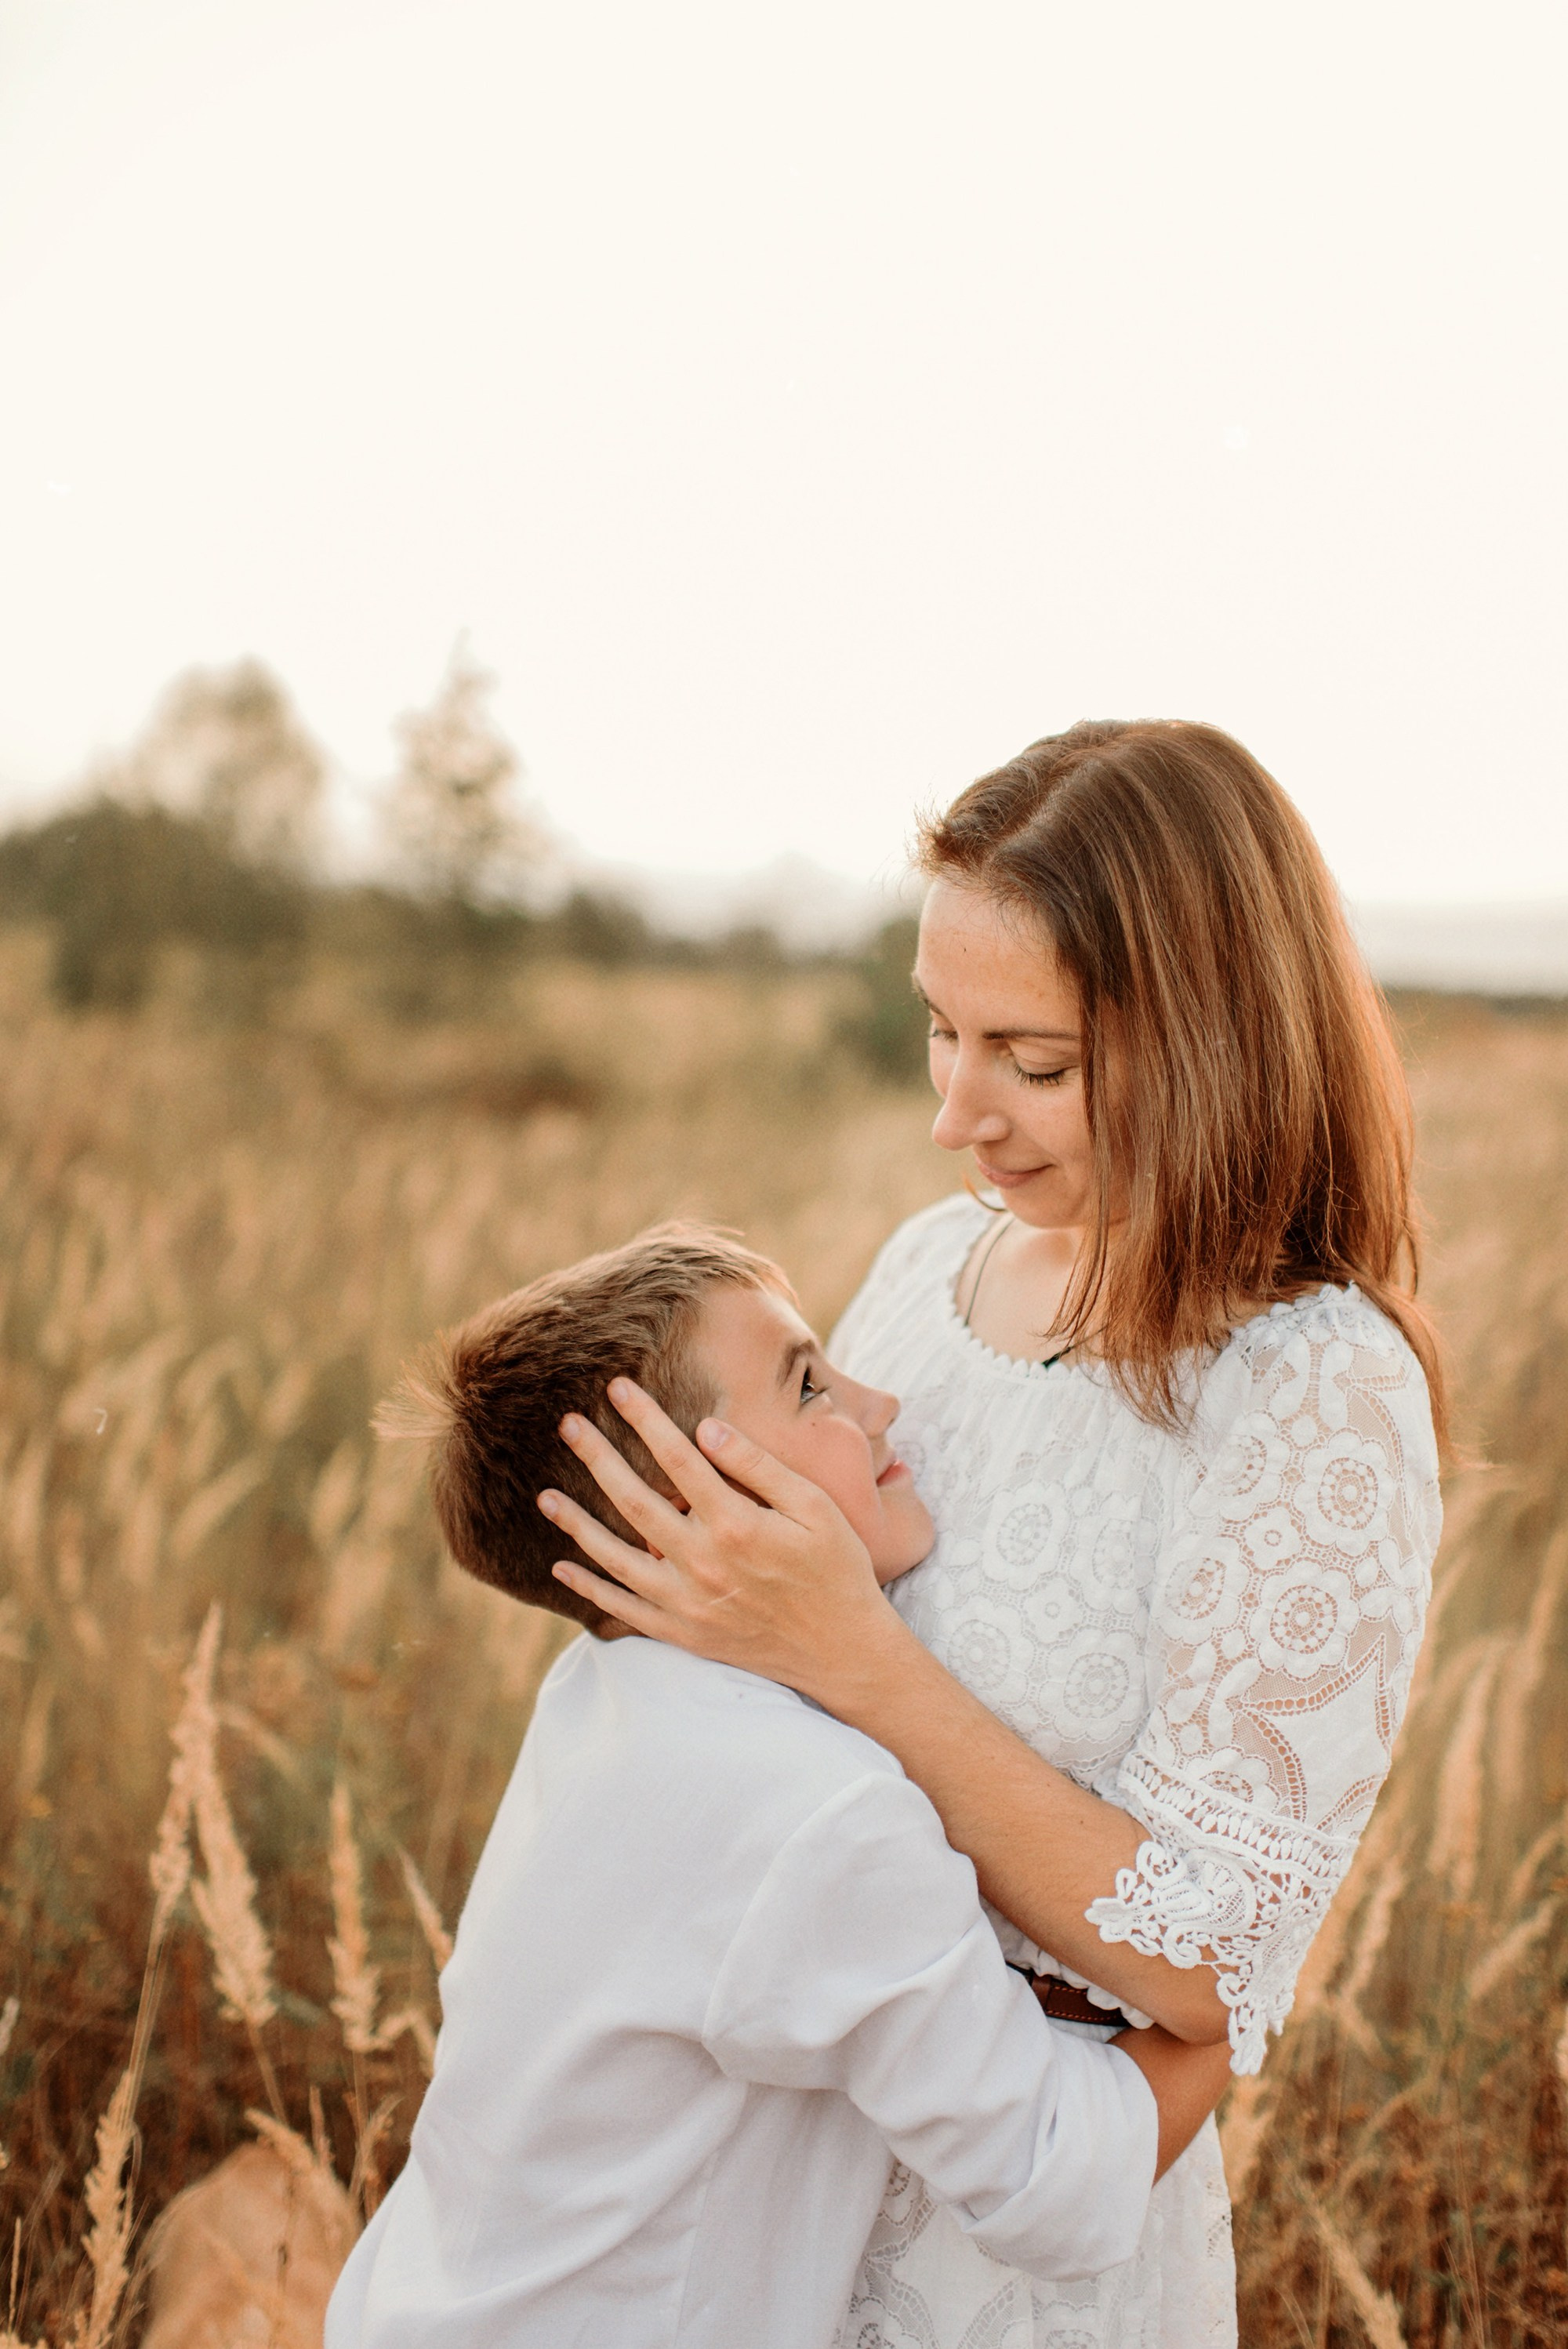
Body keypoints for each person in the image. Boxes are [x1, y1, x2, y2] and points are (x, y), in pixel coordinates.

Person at [541, 721, 1446, 2349]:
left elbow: (1208, 1963)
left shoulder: (1311, 1390)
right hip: (758, 2190)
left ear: (1217, 1041)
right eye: (940, 1032)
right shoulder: (926, 1268)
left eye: (1034, 1061)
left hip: (1027, 2231)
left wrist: (855, 1660)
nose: (960, 1115)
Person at [325, 1225, 1233, 2349]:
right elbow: (1051, 2177)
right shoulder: (815, 1812)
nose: (880, 1402)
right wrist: (1239, 1974)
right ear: (696, 1504)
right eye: (810, 1385)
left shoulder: (601, 1696)